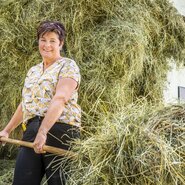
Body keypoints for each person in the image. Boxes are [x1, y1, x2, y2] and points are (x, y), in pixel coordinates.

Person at [0, 20, 81, 185]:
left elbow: (61, 98)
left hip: (61, 130)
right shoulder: (33, 71)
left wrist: (44, 132)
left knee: (59, 182)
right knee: (22, 181)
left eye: (52, 41)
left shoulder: (68, 65)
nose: (47, 45)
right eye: (43, 40)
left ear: (61, 43)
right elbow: (26, 104)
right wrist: (6, 131)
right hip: (32, 129)